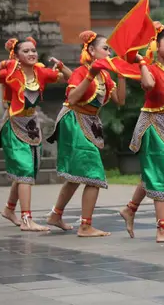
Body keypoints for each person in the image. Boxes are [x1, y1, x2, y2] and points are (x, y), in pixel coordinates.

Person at [0, 37, 72, 231]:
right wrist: (1, 64)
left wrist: (62, 66)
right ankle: (27, 219)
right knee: (25, 170)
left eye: (33, 51)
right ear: (17, 55)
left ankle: (9, 209)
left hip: (32, 124)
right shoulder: (10, 72)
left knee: (28, 171)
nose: (31, 54)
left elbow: (71, 79)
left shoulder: (41, 72)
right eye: (26, 51)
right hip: (14, 123)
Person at [46, 31, 127, 237]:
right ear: (91, 50)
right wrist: (90, 74)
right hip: (74, 120)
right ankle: (85, 225)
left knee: (76, 176)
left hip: (90, 122)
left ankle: (56, 215)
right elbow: (72, 98)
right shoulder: (82, 72)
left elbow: (120, 100)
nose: (109, 53)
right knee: (93, 175)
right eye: (105, 48)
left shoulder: (106, 76)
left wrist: (122, 73)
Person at [120, 23, 164, 242]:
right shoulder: (152, 68)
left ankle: (130, 209)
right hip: (153, 125)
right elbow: (148, 85)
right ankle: (161, 228)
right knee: (160, 173)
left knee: (158, 171)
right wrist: (141, 62)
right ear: (156, 44)